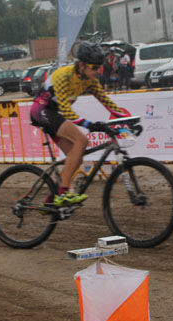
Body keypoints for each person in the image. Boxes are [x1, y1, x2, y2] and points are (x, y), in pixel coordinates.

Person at [30, 42, 130, 207]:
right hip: (41, 110)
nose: (97, 71)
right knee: (82, 141)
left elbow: (107, 102)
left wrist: (129, 119)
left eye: (99, 68)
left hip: (54, 114)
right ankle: (63, 193)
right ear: (82, 65)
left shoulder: (89, 80)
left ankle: (52, 200)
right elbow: (66, 110)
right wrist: (90, 125)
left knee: (76, 157)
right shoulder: (64, 76)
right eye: (94, 68)